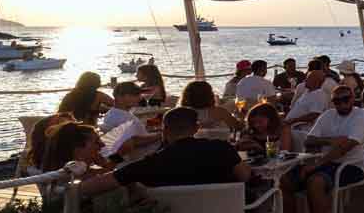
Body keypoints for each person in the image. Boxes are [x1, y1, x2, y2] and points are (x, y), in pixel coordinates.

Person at [80, 107, 252, 196]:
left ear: (164, 131)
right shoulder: (222, 149)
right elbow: (244, 176)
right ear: (196, 128)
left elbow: (90, 188)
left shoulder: (150, 163)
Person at [281, 86, 364, 213]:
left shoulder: (361, 117)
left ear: (353, 98)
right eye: (337, 101)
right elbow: (309, 141)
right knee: (284, 180)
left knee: (315, 182)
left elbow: (345, 147)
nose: (342, 104)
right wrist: (330, 141)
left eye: (346, 99)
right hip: (325, 162)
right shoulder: (328, 115)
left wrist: (316, 164)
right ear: (332, 102)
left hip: (352, 165)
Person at [101, 81, 161, 160]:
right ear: (120, 97)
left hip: (140, 153)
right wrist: (161, 134)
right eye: (135, 95)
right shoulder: (123, 118)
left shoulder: (112, 113)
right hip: (143, 156)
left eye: (139, 95)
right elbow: (134, 141)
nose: (140, 97)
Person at [39, 121, 112, 175]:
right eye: (97, 142)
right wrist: (120, 154)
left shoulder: (66, 173)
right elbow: (114, 176)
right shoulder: (77, 177)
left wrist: (105, 164)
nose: (102, 145)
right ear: (78, 149)